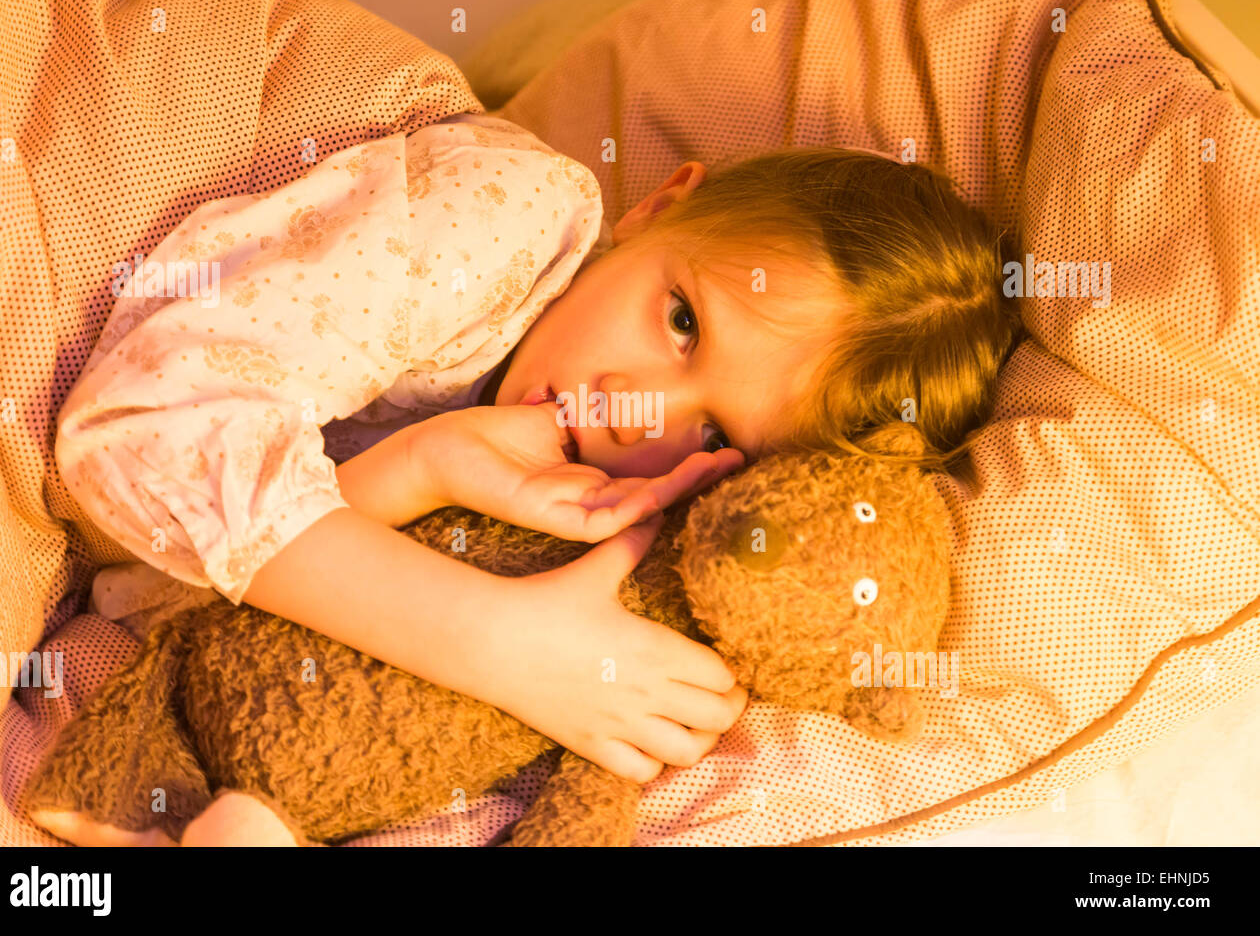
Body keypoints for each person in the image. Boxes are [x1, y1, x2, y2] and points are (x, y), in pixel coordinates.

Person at [56, 113, 1020, 785]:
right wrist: (494, 640)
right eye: (682, 321)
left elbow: (173, 576)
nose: (636, 411)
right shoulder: (511, 213)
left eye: (719, 432)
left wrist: (419, 467)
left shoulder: (583, 502)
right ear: (653, 209)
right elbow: (141, 429)